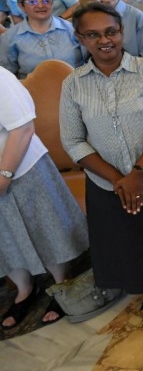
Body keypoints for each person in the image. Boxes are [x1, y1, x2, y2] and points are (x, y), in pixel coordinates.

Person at [60, 2, 143, 319]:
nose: (104, 40)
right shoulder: (73, 83)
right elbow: (72, 140)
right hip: (105, 180)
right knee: (129, 239)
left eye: (110, 31)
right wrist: (118, 179)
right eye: (92, 34)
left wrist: (138, 172)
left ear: (122, 32)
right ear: (80, 38)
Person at [0, 66, 89, 328]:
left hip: (21, 166)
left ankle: (63, 284)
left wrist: (4, 175)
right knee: (5, 239)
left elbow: (24, 129)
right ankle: (25, 290)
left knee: (46, 229)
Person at [0, 0, 83, 78]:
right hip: (32, 91)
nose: (40, 6)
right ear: (21, 6)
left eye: (45, 1)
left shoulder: (73, 30)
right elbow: (8, 76)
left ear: (52, 3)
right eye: (32, 2)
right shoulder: (10, 38)